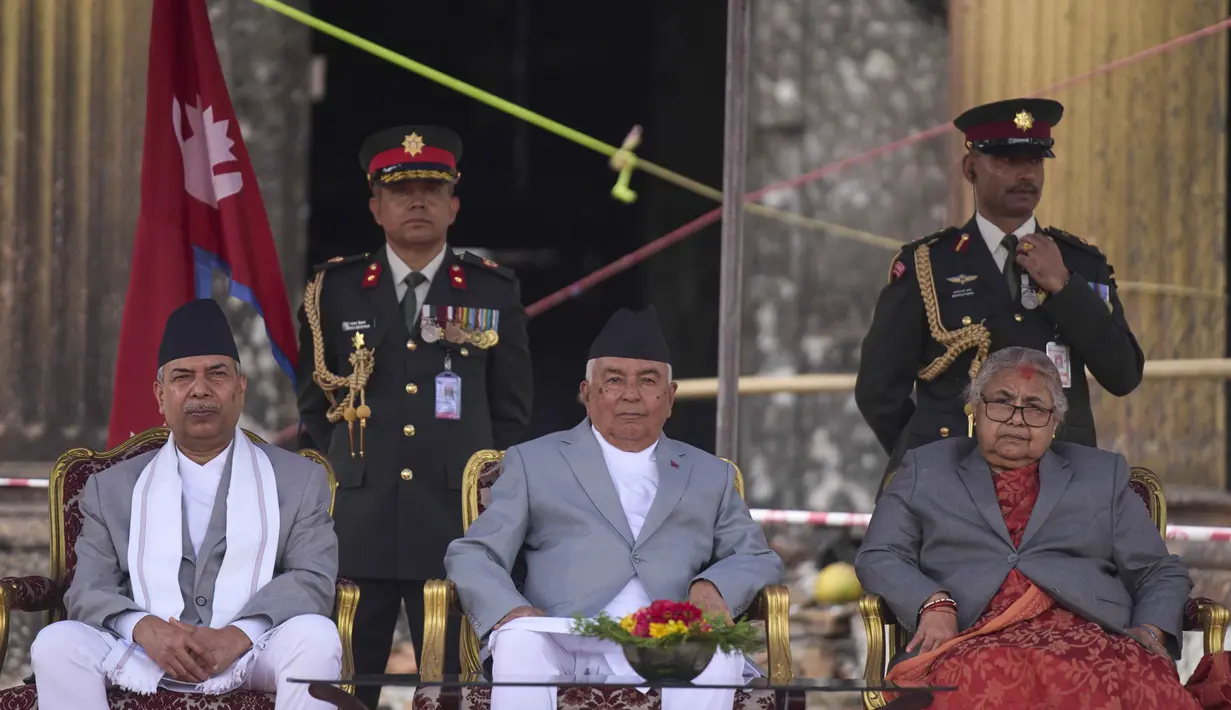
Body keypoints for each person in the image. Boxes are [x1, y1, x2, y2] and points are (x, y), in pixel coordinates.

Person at [296, 124, 533, 706]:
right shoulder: (335, 289)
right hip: (360, 516)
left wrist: (468, 476)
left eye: (432, 189)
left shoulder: (490, 289)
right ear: (376, 206)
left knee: (452, 685)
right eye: (401, 191)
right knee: (346, 685)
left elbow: (512, 408)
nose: (418, 202)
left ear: (454, 204)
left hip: (453, 519)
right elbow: (314, 404)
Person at [444, 306, 783, 710]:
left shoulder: (711, 474)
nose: (631, 394)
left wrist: (712, 589)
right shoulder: (534, 462)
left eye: (648, 380)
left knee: (718, 653)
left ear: (670, 398)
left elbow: (754, 555)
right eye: (614, 380)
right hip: (563, 633)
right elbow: (473, 552)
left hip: (670, 635)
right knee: (519, 642)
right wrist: (510, 611)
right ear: (587, 394)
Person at [30, 298, 341, 709]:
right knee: (57, 642)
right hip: (143, 650)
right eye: (182, 377)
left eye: (217, 374)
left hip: (253, 647)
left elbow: (312, 577)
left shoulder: (299, 480)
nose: (200, 390)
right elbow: (89, 588)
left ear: (240, 388)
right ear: (160, 395)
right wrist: (143, 627)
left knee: (317, 638)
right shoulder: (111, 488)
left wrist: (238, 634)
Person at [855, 346, 1204, 709]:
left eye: (1035, 407)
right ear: (975, 407)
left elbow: (1159, 571)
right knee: (987, 679)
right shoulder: (926, 469)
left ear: (1055, 422)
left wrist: (1150, 629)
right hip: (973, 638)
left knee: (1135, 683)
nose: (1017, 419)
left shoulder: (1101, 475)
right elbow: (878, 554)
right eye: (1002, 402)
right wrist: (933, 602)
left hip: (1092, 638)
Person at [855, 98, 1144, 496]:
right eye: (1007, 160)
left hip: (1059, 483)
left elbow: (1124, 373)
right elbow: (878, 391)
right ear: (971, 168)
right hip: (954, 485)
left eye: (1035, 160)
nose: (1025, 173)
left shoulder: (1079, 263)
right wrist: (927, 453)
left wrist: (1064, 286)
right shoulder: (928, 265)